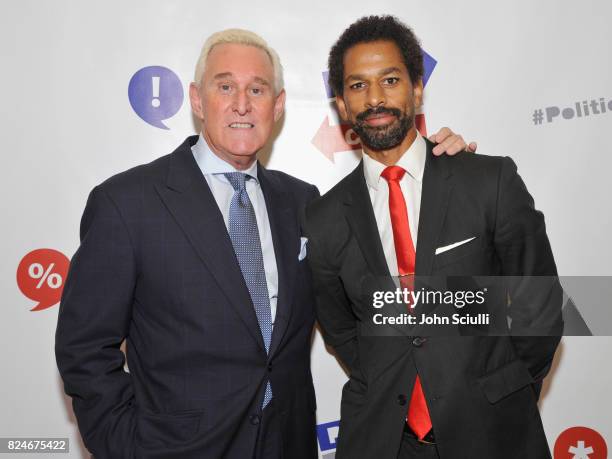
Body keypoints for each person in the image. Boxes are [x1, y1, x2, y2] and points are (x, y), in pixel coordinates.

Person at [55, 28, 473, 459]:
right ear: (198, 100)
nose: (241, 103)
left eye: (257, 89)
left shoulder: (304, 202)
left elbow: (372, 303)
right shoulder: (128, 203)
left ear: (277, 105)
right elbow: (84, 349)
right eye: (225, 87)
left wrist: (441, 179)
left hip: (288, 443)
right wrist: (128, 447)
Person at [304, 16, 562, 459]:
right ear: (342, 105)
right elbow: (344, 332)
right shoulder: (323, 218)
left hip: (494, 432)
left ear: (417, 88)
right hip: (384, 440)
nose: (376, 98)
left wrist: (504, 388)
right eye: (358, 86)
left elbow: (536, 306)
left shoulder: (487, 180)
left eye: (389, 79)